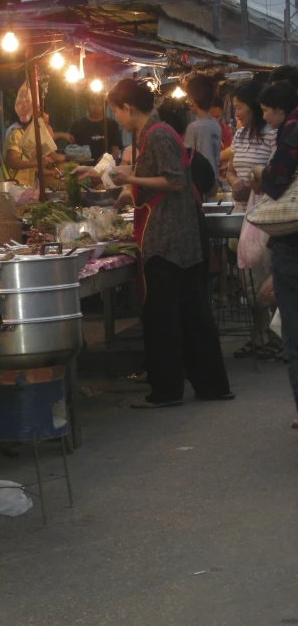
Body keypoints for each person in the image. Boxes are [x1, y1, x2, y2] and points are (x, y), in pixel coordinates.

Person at [74, 79, 232, 408]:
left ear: (128, 108)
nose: (115, 117)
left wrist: (129, 179)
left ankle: (166, 391)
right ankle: (210, 384)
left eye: (116, 111)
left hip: (167, 235)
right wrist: (100, 171)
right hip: (178, 234)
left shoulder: (157, 133)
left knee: (164, 316)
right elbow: (151, 169)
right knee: (192, 311)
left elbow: (173, 179)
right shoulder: (153, 132)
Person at [248, 82, 298, 423]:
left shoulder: (293, 128)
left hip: (294, 246)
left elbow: (277, 179)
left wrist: (258, 175)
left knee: (296, 334)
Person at [226, 81, 278, 359]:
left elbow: (272, 178)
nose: (236, 113)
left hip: (263, 217)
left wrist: (255, 184)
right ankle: (258, 335)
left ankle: (273, 335)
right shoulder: (239, 135)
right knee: (246, 279)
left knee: (263, 277)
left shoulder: (272, 136)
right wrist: (235, 182)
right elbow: (231, 170)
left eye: (239, 107)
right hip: (240, 213)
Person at [157, 99, 216, 287]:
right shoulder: (195, 157)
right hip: (196, 234)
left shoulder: (158, 158)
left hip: (167, 240)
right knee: (197, 297)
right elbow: (212, 189)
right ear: (186, 127)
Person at [0, 114, 57, 186]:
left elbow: (31, 168)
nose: (46, 127)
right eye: (43, 123)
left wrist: (52, 172)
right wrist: (39, 162)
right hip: (10, 187)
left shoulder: (30, 139)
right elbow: (11, 162)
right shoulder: (17, 134)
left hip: (23, 187)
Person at [185, 74, 222, 181]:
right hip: (213, 181)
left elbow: (188, 160)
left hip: (199, 186)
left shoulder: (193, 128)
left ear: (192, 100)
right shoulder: (215, 125)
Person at [70, 92, 121, 163]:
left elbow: (115, 151)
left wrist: (107, 160)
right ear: (87, 104)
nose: (96, 108)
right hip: (82, 167)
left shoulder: (112, 125)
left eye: (100, 104)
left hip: (106, 169)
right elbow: (71, 151)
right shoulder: (78, 125)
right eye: (93, 104)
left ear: (105, 106)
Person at [210, 97, 234, 181]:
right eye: (212, 117)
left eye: (217, 116)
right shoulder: (196, 129)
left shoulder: (226, 130)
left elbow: (230, 153)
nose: (215, 120)